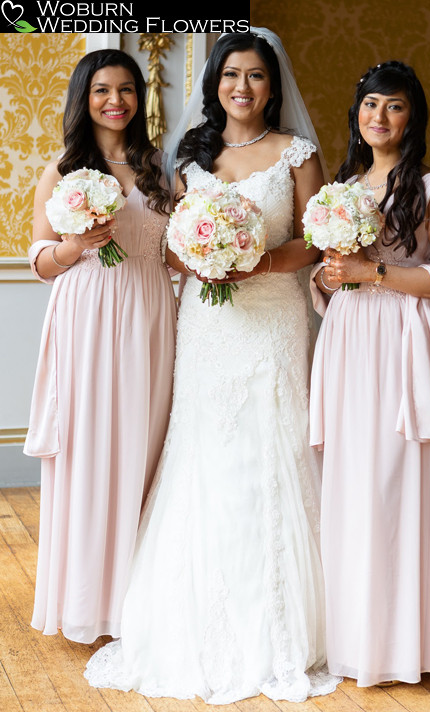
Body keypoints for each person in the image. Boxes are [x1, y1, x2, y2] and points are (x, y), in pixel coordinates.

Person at [84, 29, 341, 703]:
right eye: (232, 75)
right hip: (206, 321)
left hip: (273, 317)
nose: (243, 88)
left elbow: (315, 240)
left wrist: (258, 259)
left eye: (256, 77)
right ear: (216, 82)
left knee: (274, 443)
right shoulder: (191, 155)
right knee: (205, 450)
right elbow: (168, 247)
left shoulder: (297, 153)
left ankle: (295, 620)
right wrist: (204, 258)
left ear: (272, 85)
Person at [309, 61, 430, 686]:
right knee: (350, 484)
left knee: (395, 483)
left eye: (394, 106)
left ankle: (406, 645)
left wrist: (371, 275)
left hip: (400, 347)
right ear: (358, 114)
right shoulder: (342, 190)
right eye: (370, 104)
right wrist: (330, 278)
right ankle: (354, 635)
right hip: (349, 343)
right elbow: (334, 274)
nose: (379, 116)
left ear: (413, 116)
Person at [24, 49, 177, 644]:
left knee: (144, 443)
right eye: (102, 90)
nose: (116, 101)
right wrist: (77, 243)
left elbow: (169, 249)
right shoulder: (63, 170)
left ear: (141, 99)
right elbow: (39, 259)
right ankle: (89, 599)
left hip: (148, 308)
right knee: (91, 448)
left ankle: (138, 598)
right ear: (83, 98)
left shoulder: (158, 167)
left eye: (127, 90)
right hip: (86, 312)